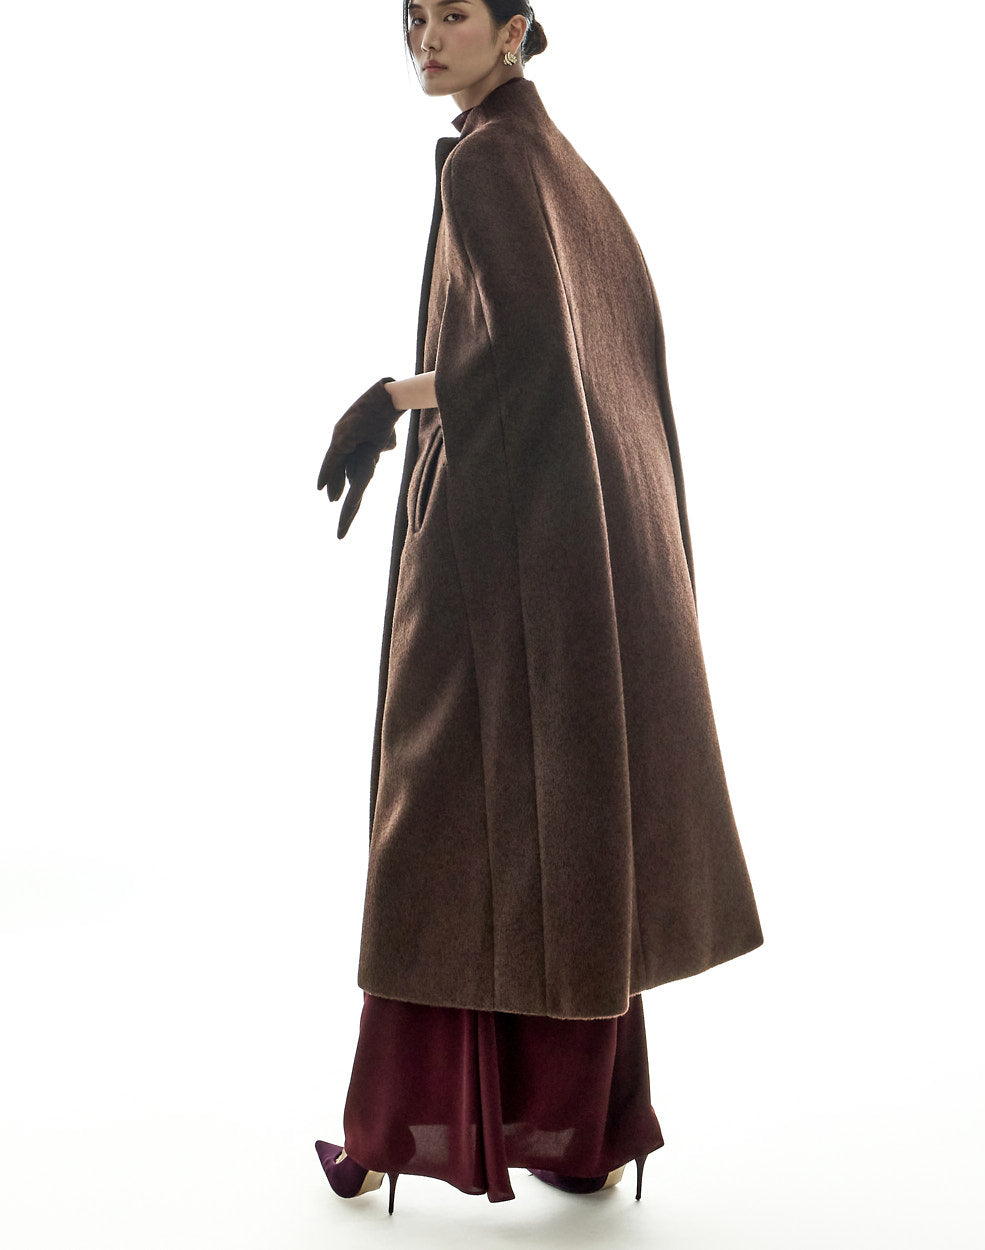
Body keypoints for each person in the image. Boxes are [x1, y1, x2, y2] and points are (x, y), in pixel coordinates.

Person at [314, 0, 764, 1213]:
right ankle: (581, 1128)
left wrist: (392, 396)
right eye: (413, 16)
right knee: (558, 831)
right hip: (573, 558)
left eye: (454, 15)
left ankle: (387, 1130)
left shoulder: (490, 165)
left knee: (434, 828)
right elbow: (597, 352)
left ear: (514, 28)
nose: (426, 37)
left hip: (497, 559)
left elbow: (523, 358)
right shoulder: (556, 160)